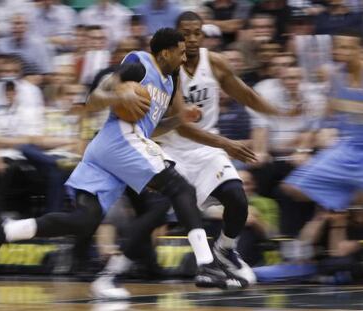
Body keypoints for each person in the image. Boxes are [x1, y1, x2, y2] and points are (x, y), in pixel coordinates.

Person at [0, 28, 248, 290]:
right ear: (164, 53)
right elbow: (94, 98)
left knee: (84, 220)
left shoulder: (170, 81)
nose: (184, 57)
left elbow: (153, 127)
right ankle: (207, 265)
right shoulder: (139, 63)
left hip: (109, 148)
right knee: (181, 188)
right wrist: (118, 93)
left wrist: (180, 118)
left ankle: (3, 230)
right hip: (119, 138)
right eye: (180, 51)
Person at [91, 11, 302, 298]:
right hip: (166, 149)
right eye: (185, 33)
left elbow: (247, 95)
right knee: (156, 216)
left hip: (206, 150)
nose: (191, 39)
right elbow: (183, 128)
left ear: (203, 36)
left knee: (238, 200)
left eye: (196, 33)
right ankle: (110, 274)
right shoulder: (163, 72)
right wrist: (227, 143)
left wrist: (280, 112)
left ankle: (225, 251)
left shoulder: (214, 63)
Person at [282, 30, 363, 215]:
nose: (341, 51)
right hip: (346, 148)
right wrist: (303, 149)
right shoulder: (334, 76)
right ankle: (345, 198)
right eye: (339, 47)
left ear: (360, 50)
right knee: (293, 188)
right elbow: (323, 118)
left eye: (348, 47)